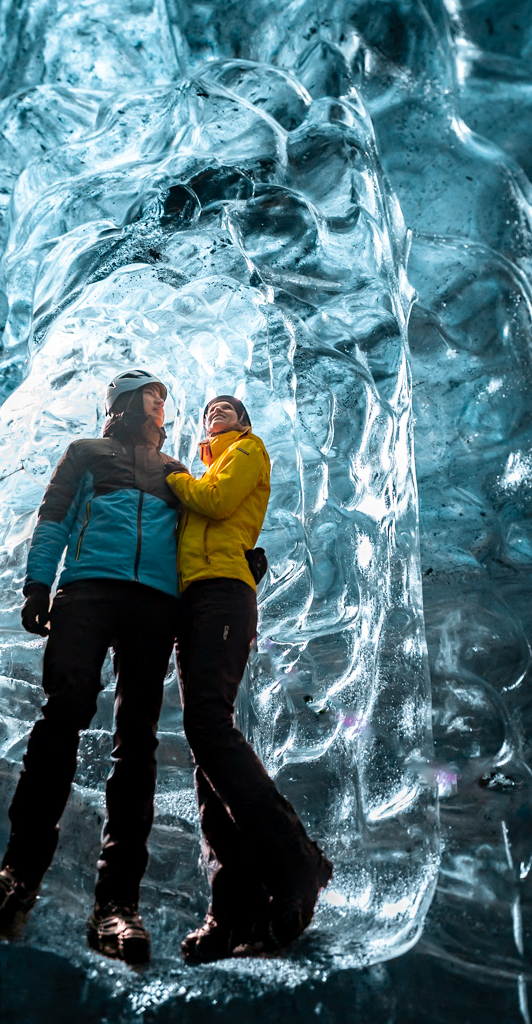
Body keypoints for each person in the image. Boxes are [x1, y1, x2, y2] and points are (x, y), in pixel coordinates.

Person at [0, 369, 186, 965]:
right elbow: (55, 517)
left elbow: (198, 537)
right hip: (87, 591)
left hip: (155, 603)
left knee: (136, 741)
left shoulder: (177, 472)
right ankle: (19, 872)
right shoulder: (86, 452)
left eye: (164, 398)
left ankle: (118, 905)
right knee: (62, 716)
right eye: (152, 395)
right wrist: (38, 585)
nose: (161, 405)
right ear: (124, 402)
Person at [166, 395, 333, 963]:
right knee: (204, 744)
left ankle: (296, 862)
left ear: (243, 423)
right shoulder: (207, 465)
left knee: (208, 728)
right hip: (193, 601)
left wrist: (175, 478)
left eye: (227, 409)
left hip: (224, 594)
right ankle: (232, 910)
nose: (217, 413)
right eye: (210, 411)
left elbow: (215, 502)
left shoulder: (245, 452)